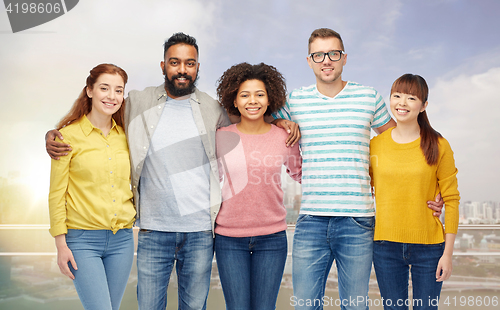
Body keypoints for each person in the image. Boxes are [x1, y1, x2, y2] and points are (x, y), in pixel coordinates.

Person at [45, 33, 300, 310]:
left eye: (190, 63)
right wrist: (55, 132)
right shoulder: (137, 102)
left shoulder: (213, 109)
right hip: (153, 231)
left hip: (201, 232)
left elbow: (250, 117)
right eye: (174, 62)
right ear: (163, 66)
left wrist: (281, 122)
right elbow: (100, 111)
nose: (182, 69)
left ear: (198, 68)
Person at [272, 28, 443, 310]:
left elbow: (401, 142)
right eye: (319, 54)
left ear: (344, 58)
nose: (326, 60)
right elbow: (262, 122)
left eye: (333, 53)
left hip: (358, 221)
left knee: (354, 306)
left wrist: (432, 190)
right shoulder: (294, 101)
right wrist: (281, 122)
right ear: (309, 60)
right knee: (304, 305)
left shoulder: (368, 97)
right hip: (311, 220)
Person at [48, 63, 136, 310]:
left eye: (119, 90)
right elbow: (56, 194)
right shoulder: (67, 137)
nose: (112, 96)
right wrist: (60, 244)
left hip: (123, 241)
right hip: (82, 241)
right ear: (89, 91)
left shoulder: (127, 137)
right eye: (104, 88)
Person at [215, 63, 302, 310]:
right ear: (234, 99)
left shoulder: (284, 137)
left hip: (272, 239)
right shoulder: (220, 137)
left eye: (259, 94)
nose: (252, 101)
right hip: (228, 238)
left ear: (269, 98)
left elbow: (301, 174)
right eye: (244, 94)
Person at [369, 74, 459, 310]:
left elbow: (452, 200)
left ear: (424, 105)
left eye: (411, 98)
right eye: (397, 96)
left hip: (429, 248)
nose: (402, 103)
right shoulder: (375, 145)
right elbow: (364, 186)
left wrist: (448, 254)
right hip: (385, 245)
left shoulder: (439, 145)